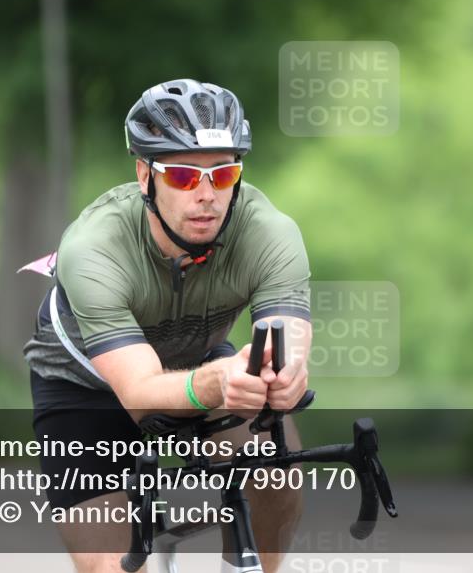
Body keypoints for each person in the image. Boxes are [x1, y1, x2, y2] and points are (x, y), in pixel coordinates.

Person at [21, 78, 312, 572]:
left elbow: (286, 341)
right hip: (84, 386)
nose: (207, 195)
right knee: (114, 566)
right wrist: (218, 381)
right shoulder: (94, 248)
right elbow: (140, 392)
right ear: (145, 175)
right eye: (182, 176)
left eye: (223, 174)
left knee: (276, 473)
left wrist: (284, 375)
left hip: (198, 361)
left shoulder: (270, 233)